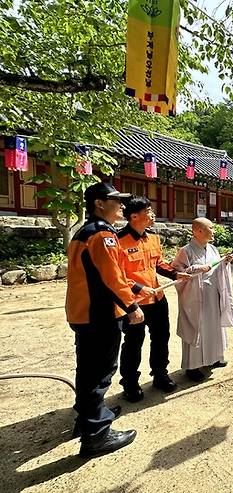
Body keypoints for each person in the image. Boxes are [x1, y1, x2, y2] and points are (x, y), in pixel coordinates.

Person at [65, 182, 144, 458]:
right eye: (116, 200)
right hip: (100, 314)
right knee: (99, 373)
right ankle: (97, 434)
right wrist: (132, 306)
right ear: (100, 203)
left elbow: (104, 273)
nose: (121, 205)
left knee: (87, 370)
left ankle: (87, 418)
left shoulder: (84, 233)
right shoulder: (103, 235)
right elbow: (110, 278)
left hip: (83, 312)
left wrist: (135, 288)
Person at [117, 197, 192, 402]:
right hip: (134, 303)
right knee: (133, 343)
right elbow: (117, 275)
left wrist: (176, 274)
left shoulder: (153, 238)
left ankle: (160, 374)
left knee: (161, 338)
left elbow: (159, 264)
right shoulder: (118, 241)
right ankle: (130, 383)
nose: (153, 215)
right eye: (148, 211)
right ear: (134, 216)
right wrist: (140, 288)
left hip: (158, 297)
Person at [172, 217, 233, 382]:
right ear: (198, 231)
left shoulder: (213, 249)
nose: (214, 231)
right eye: (211, 228)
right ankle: (192, 367)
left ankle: (214, 357)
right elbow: (176, 273)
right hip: (195, 297)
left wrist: (225, 262)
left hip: (212, 296)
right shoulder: (186, 251)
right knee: (197, 328)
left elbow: (216, 267)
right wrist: (194, 269)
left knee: (213, 326)